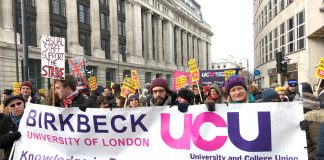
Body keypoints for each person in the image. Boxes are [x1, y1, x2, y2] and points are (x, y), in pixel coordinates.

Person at [0, 95, 25, 160]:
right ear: (8, 108)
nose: (16, 107)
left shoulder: (34, 120)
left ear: (24, 104)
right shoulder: (3, 122)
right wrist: (11, 137)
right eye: (12, 105)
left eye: (19, 103)